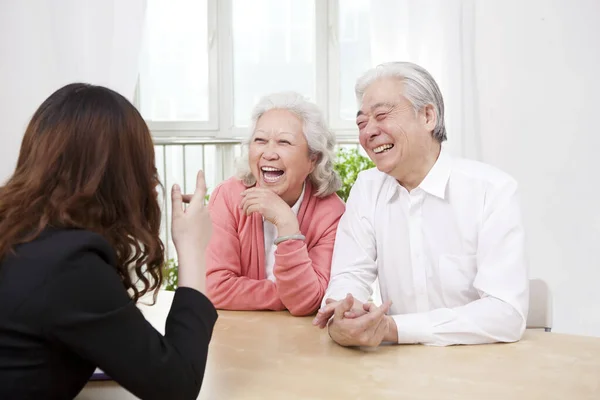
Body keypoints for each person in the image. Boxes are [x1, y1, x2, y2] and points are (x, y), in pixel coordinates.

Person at [0, 83, 217, 399]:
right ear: (122, 174)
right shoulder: (68, 265)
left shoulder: (20, 233)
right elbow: (176, 385)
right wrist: (192, 249)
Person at [313, 62, 529, 347]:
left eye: (381, 115)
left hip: (480, 367)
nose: (369, 132)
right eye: (362, 123)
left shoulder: (492, 190)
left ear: (428, 116)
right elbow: (350, 274)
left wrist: (392, 329)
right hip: (397, 370)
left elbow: (506, 314)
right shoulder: (367, 188)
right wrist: (344, 312)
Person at [204, 91, 345, 316]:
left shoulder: (331, 213)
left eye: (284, 142)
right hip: (238, 337)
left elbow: (310, 301)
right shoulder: (228, 197)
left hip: (303, 342)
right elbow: (214, 288)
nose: (268, 153)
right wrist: (291, 295)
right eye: (260, 140)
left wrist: (286, 223)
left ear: (312, 159)